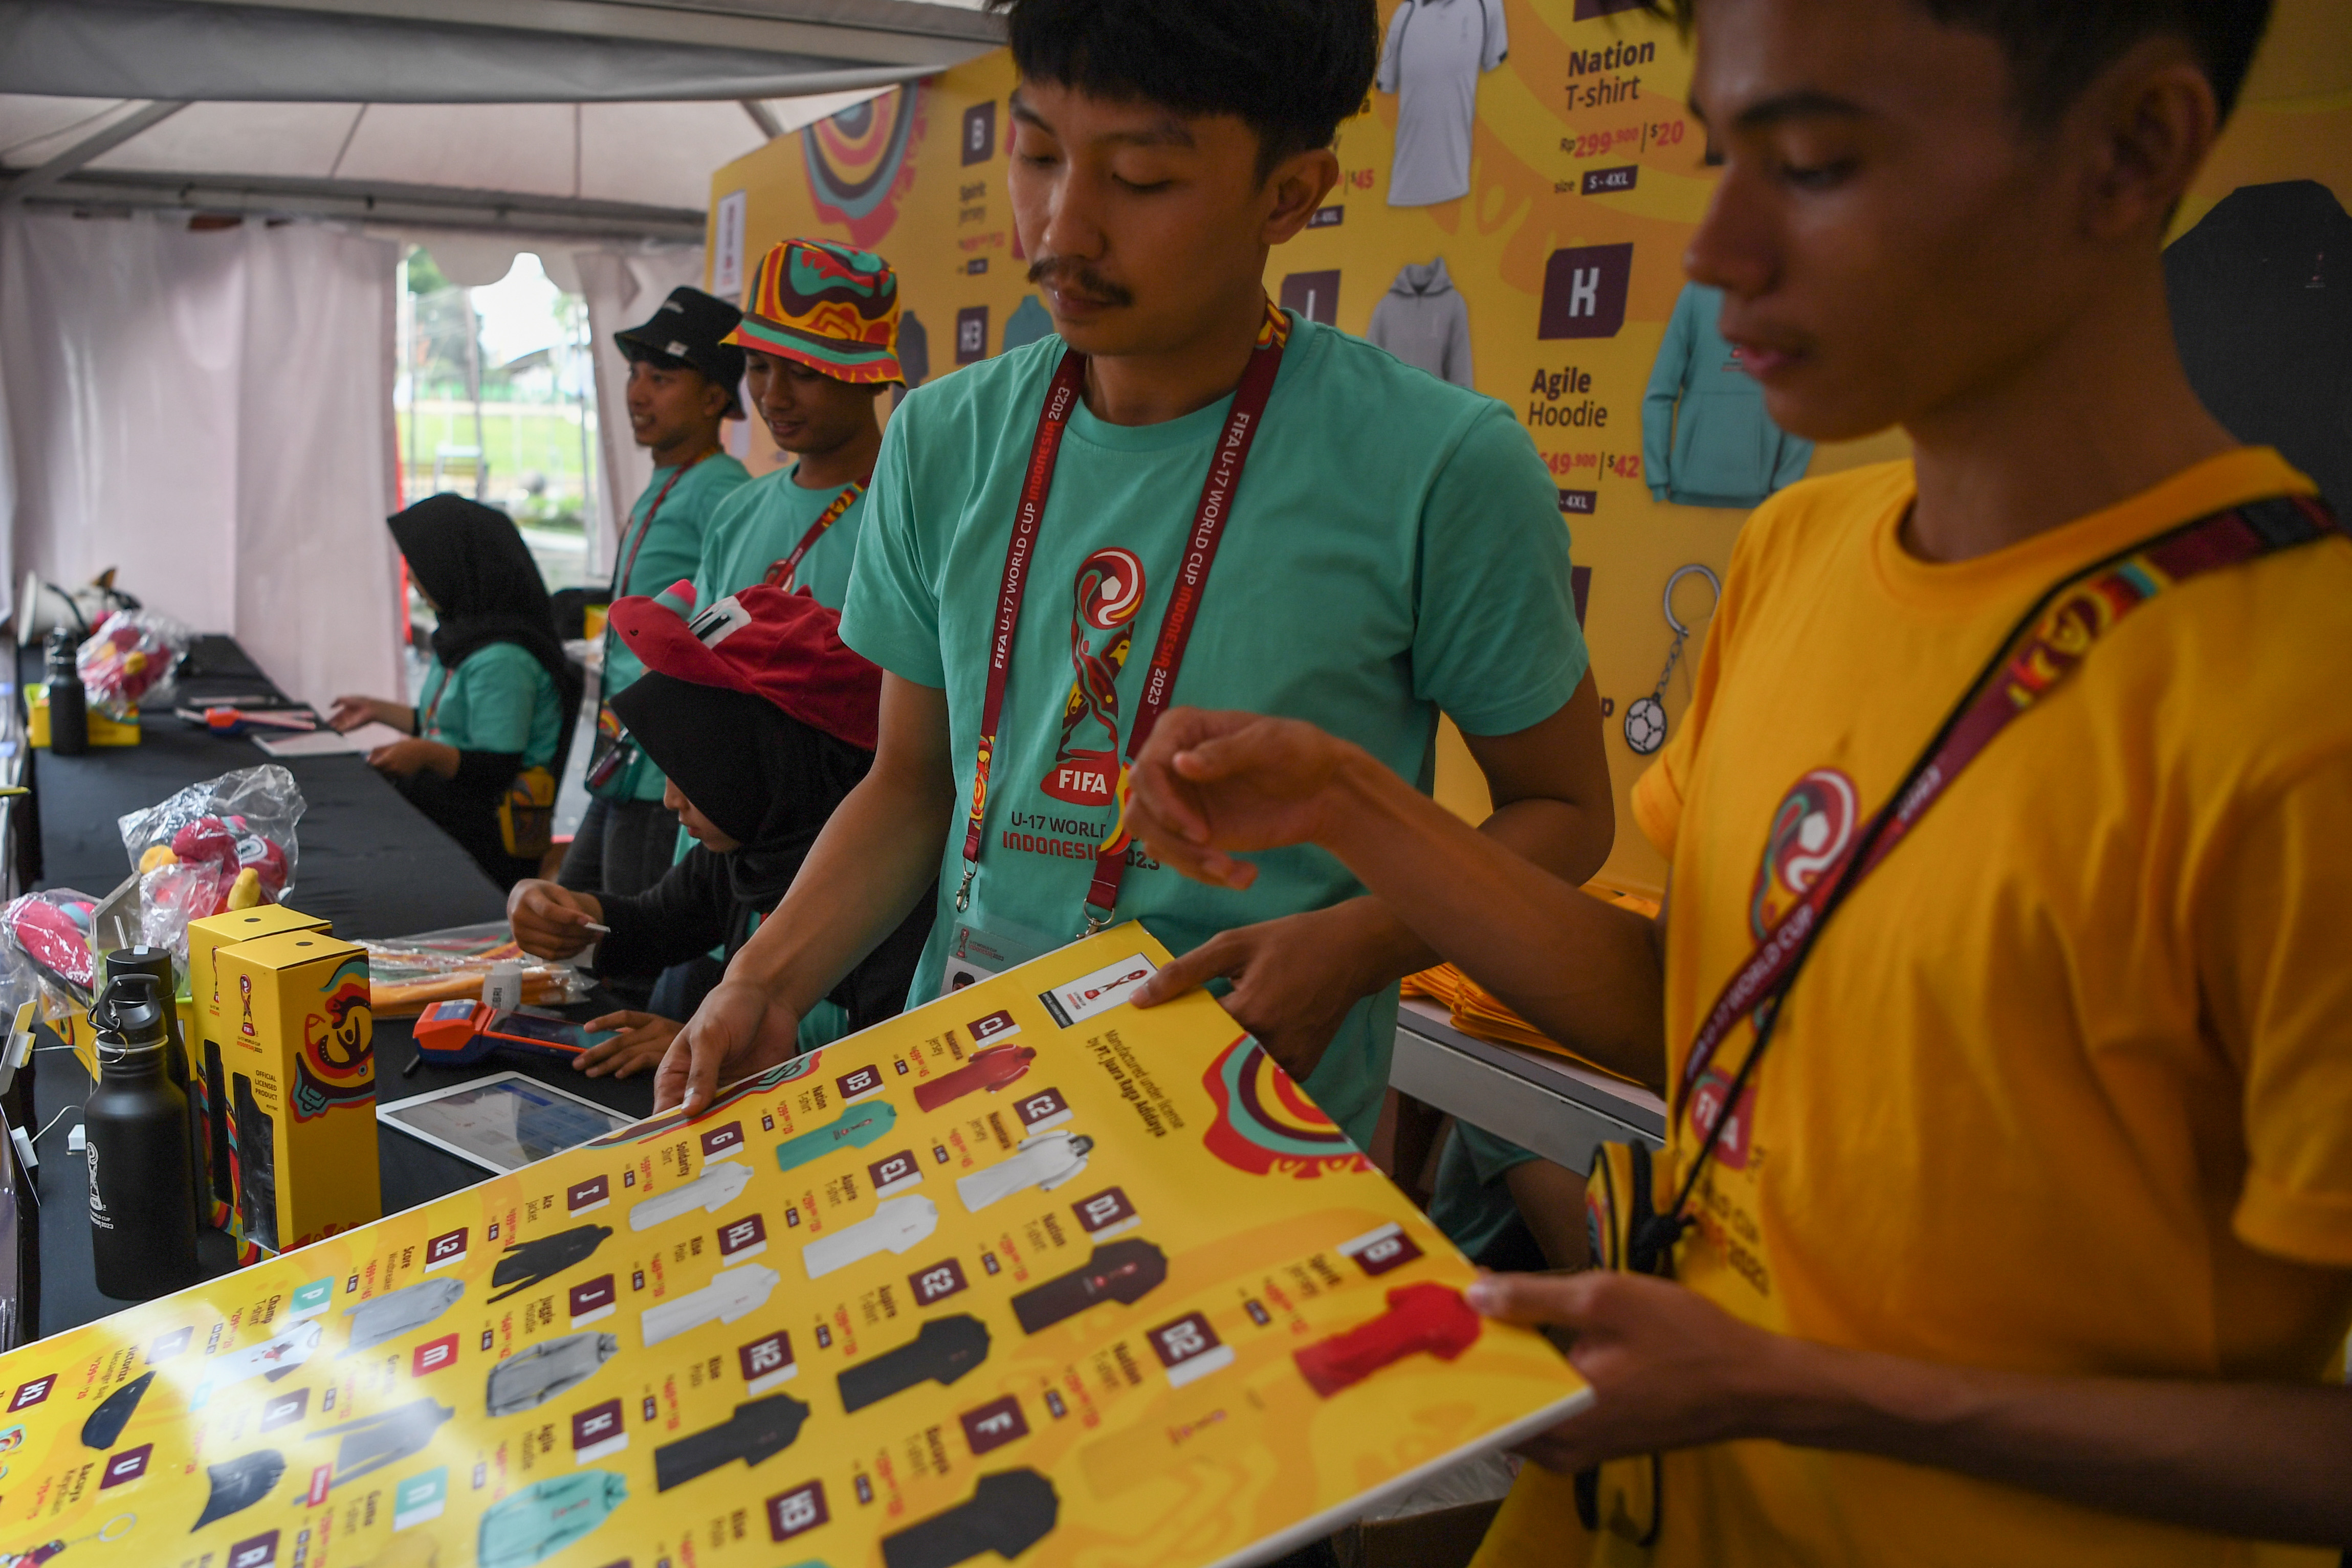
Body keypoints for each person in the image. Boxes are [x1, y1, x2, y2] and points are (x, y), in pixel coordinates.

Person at [1115, 0, 2352, 1561]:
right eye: (1717, 156)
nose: (1713, 252)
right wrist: (1351, 803)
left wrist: (1808, 1390)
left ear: (2130, 151)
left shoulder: (2303, 709)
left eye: (1817, 162)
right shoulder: (1798, 550)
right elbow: (1690, 1014)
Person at [654, 0, 1615, 1131]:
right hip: (962, 1104)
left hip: (1248, 1145)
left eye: (1144, 178)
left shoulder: (1439, 467)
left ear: (1290, 194)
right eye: (1040, 153)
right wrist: (761, 984)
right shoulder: (941, 438)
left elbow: (1562, 810)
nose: (1065, 227)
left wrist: (1359, 941)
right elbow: (913, 781)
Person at [507, 582, 932, 1079]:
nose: (670, 799)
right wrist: (562, 922)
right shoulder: (749, 849)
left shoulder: (900, 903)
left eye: (694, 769)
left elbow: (887, 1069)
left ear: (773, 764)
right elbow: (652, 927)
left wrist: (722, 1049)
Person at [560, 286, 750, 913]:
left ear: (715, 397)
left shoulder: (720, 489)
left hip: (656, 771)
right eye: (636, 374)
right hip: (626, 755)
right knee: (573, 924)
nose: (637, 393)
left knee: (619, 946)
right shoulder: (673, 479)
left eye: (662, 377)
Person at [332, 495, 579, 890]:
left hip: (486, 835)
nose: (412, 580)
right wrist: (376, 710)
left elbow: (495, 768)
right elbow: (446, 725)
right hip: (460, 808)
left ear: (457, 567)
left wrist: (422, 754)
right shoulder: (467, 636)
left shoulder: (504, 659)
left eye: (419, 566)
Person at [696, 238, 900, 608]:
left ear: (874, 379)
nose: (773, 398)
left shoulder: (912, 519)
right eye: (758, 367)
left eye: (803, 374)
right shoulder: (735, 514)